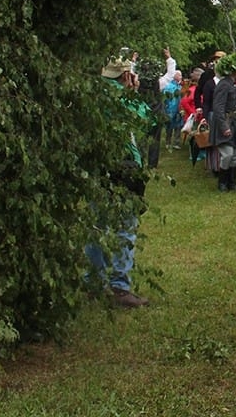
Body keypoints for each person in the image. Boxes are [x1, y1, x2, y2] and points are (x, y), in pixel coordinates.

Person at [85, 57, 150, 307]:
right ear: (125, 76)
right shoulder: (123, 98)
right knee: (125, 226)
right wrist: (134, 93)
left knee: (96, 225)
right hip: (122, 167)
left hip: (96, 167)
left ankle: (93, 282)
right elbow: (145, 120)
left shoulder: (93, 95)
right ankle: (119, 287)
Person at [210, 51, 236, 192]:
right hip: (225, 122)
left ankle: (232, 182)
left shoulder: (232, 84)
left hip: (233, 121)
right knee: (227, 154)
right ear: (234, 70)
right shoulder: (224, 84)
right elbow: (218, 107)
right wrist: (224, 126)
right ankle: (222, 182)